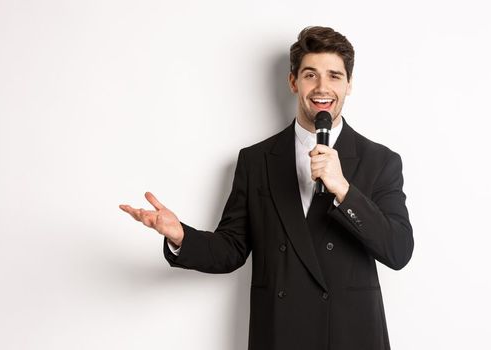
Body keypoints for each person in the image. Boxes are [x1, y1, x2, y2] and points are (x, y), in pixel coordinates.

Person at [119, 26, 414, 350]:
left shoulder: (380, 161)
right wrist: (180, 236)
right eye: (310, 75)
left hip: (351, 336)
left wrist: (344, 189)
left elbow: (398, 250)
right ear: (293, 82)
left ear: (349, 84)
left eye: (334, 76)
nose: (322, 87)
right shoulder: (256, 161)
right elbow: (231, 249)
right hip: (280, 334)